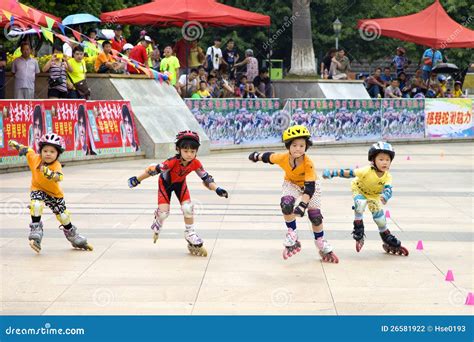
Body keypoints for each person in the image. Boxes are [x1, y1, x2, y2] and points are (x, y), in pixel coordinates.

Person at [127, 131, 229, 256]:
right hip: (165, 185)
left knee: (188, 208)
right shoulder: (171, 162)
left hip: (180, 185)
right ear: (178, 149)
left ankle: (190, 233)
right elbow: (152, 171)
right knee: (164, 213)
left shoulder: (196, 163)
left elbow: (206, 178)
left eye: (192, 151)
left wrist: (217, 189)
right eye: (186, 151)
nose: (189, 154)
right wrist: (137, 179)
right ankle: (158, 219)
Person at [248, 125, 339, 263]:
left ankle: (320, 241)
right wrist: (256, 156)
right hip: (291, 184)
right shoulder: (283, 157)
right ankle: (292, 233)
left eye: (302, 145)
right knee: (286, 204)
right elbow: (268, 157)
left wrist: (303, 205)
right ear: (288, 146)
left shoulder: (308, 163)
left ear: (306, 147)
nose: (298, 148)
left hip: (311, 187)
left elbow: (309, 188)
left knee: (315, 216)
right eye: (295, 145)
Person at [8, 134, 93, 253]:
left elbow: (59, 177)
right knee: (36, 205)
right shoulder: (34, 158)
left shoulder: (56, 165)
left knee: (63, 216)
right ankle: (36, 228)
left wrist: (50, 174)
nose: (48, 154)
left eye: (52, 151)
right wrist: (18, 146)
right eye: (45, 151)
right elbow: (27, 150)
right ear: (41, 151)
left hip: (54, 194)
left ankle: (73, 235)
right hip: (38, 188)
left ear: (58, 154)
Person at [322, 142, 408, 256]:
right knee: (360, 203)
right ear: (373, 160)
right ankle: (359, 229)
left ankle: (386, 237)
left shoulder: (388, 176)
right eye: (381, 159)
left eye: (388, 160)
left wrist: (386, 196)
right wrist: (333, 173)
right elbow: (350, 173)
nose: (385, 162)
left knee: (380, 220)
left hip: (374, 196)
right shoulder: (366, 171)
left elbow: (388, 189)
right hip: (359, 190)